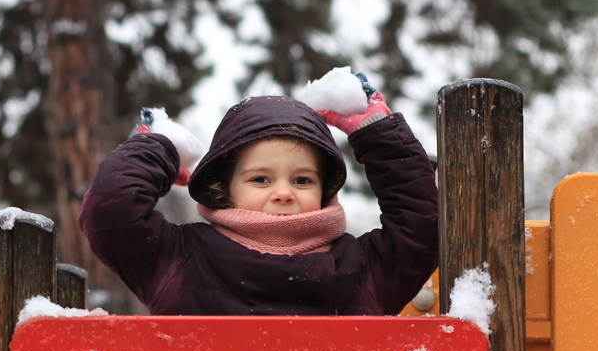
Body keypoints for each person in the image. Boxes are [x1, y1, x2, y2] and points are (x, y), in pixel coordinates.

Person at [78, 73, 438, 315]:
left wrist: (377, 133)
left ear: (326, 190)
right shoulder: (182, 261)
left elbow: (419, 231)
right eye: (261, 180)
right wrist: (157, 150)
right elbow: (111, 216)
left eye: (302, 181)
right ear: (225, 189)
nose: (283, 193)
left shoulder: (359, 269)